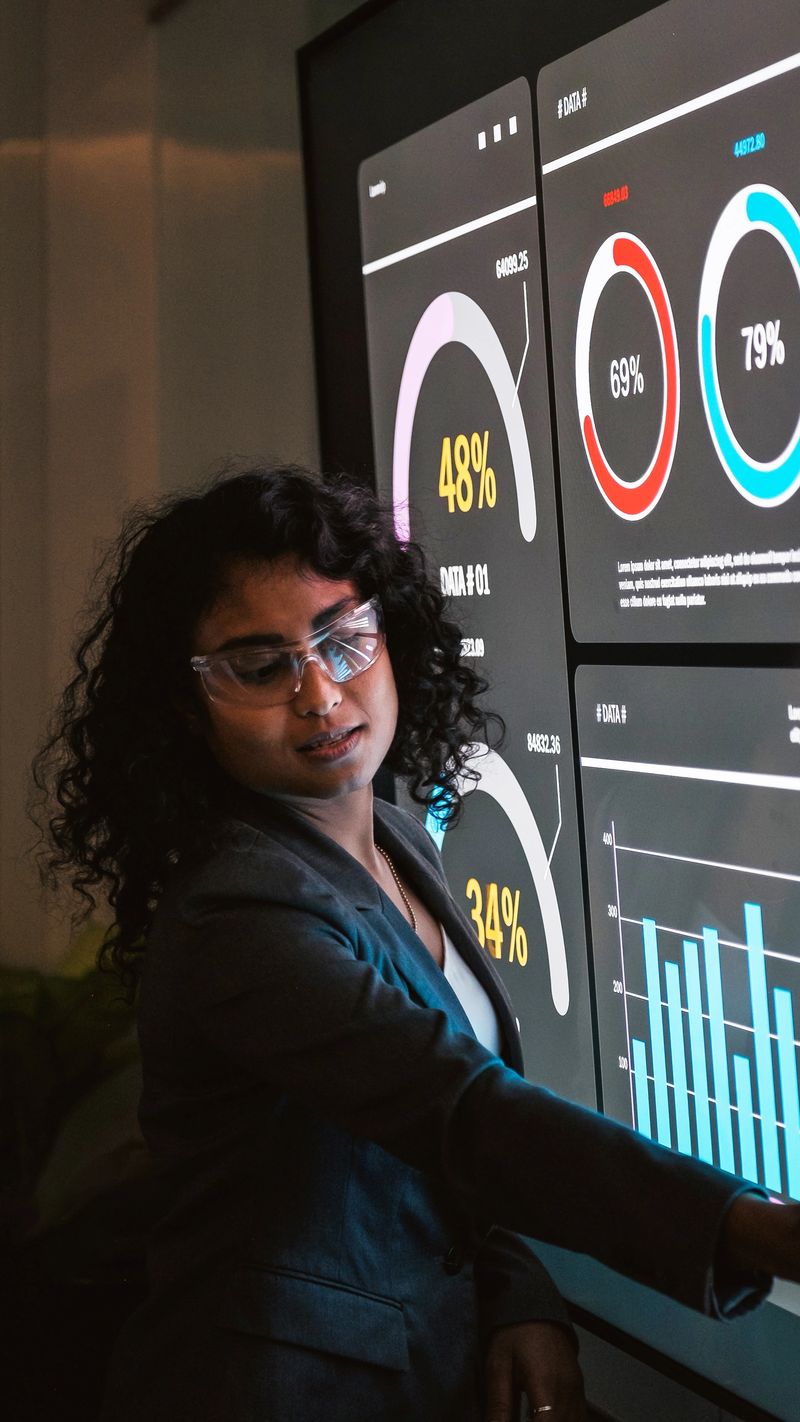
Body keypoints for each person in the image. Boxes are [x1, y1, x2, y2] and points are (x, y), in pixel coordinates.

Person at [34, 465, 800, 1422]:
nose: (319, 694)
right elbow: (457, 1111)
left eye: (343, 639)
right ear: (185, 708)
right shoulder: (235, 915)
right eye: (259, 666)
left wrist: (516, 1292)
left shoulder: (393, 835)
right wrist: (757, 1231)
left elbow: (419, 1156)